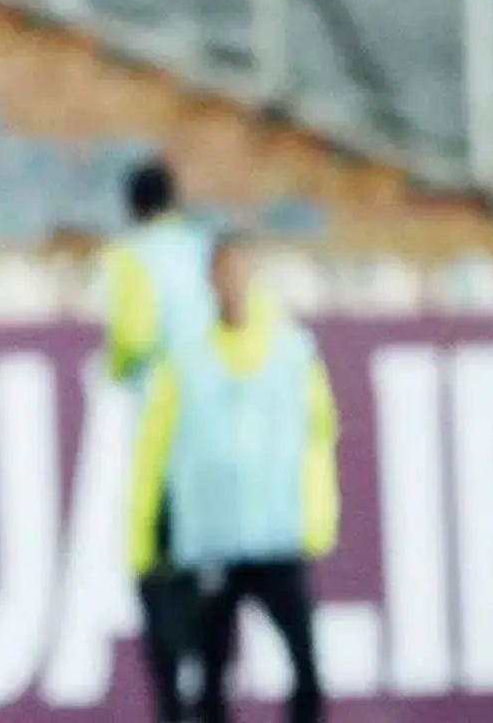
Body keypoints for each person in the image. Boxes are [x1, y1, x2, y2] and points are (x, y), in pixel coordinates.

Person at [135, 232, 340, 723]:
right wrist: (147, 535)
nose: (230, 281)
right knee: (210, 674)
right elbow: (156, 447)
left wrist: (317, 518)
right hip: (213, 538)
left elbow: (319, 435)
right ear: (210, 279)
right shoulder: (185, 355)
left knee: (306, 667)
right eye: (222, 271)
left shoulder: (291, 349)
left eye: (237, 270)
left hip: (276, 534)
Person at [103, 159, 217, 722]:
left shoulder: (133, 258)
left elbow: (134, 337)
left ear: (133, 206)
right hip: (212, 439)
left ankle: (174, 706)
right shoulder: (205, 253)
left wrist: (118, 367)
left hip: (161, 438)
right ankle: (212, 698)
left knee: (157, 577)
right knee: (210, 581)